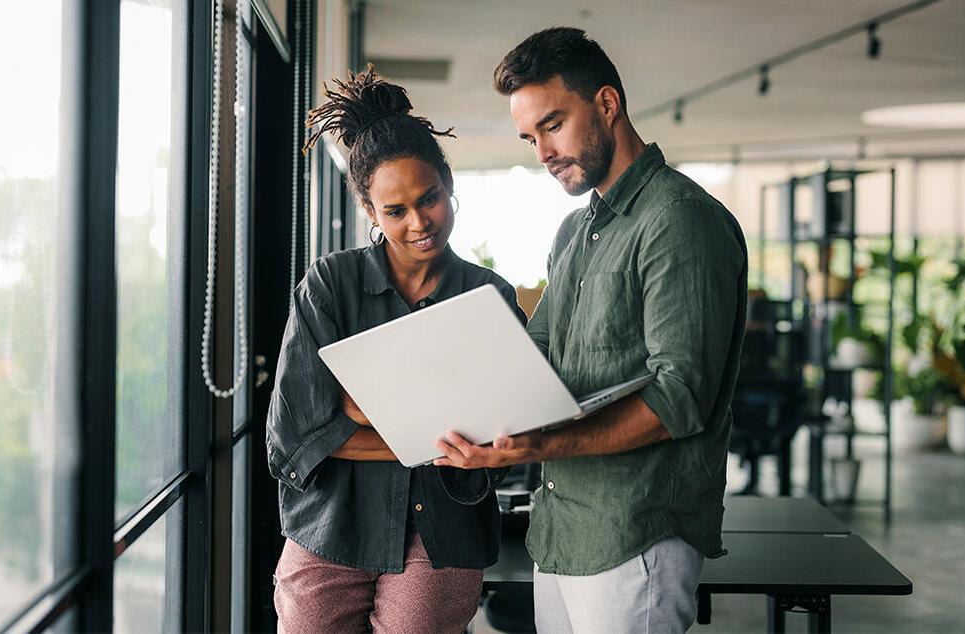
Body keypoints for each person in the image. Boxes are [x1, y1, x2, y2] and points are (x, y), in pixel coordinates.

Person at [433, 27, 748, 634]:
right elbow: (540, 354)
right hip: (563, 533)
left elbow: (679, 399)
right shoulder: (574, 234)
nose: (542, 152)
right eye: (530, 137)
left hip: (638, 535)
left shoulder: (679, 222)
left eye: (552, 124)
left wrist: (541, 445)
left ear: (607, 103)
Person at [266, 66, 527, 633]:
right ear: (369, 212)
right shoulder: (329, 286)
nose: (419, 223)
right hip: (330, 529)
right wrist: (433, 435)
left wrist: (361, 411)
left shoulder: (488, 296)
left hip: (445, 536)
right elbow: (295, 436)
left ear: (449, 185)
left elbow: (505, 429)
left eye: (429, 198)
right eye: (395, 210)